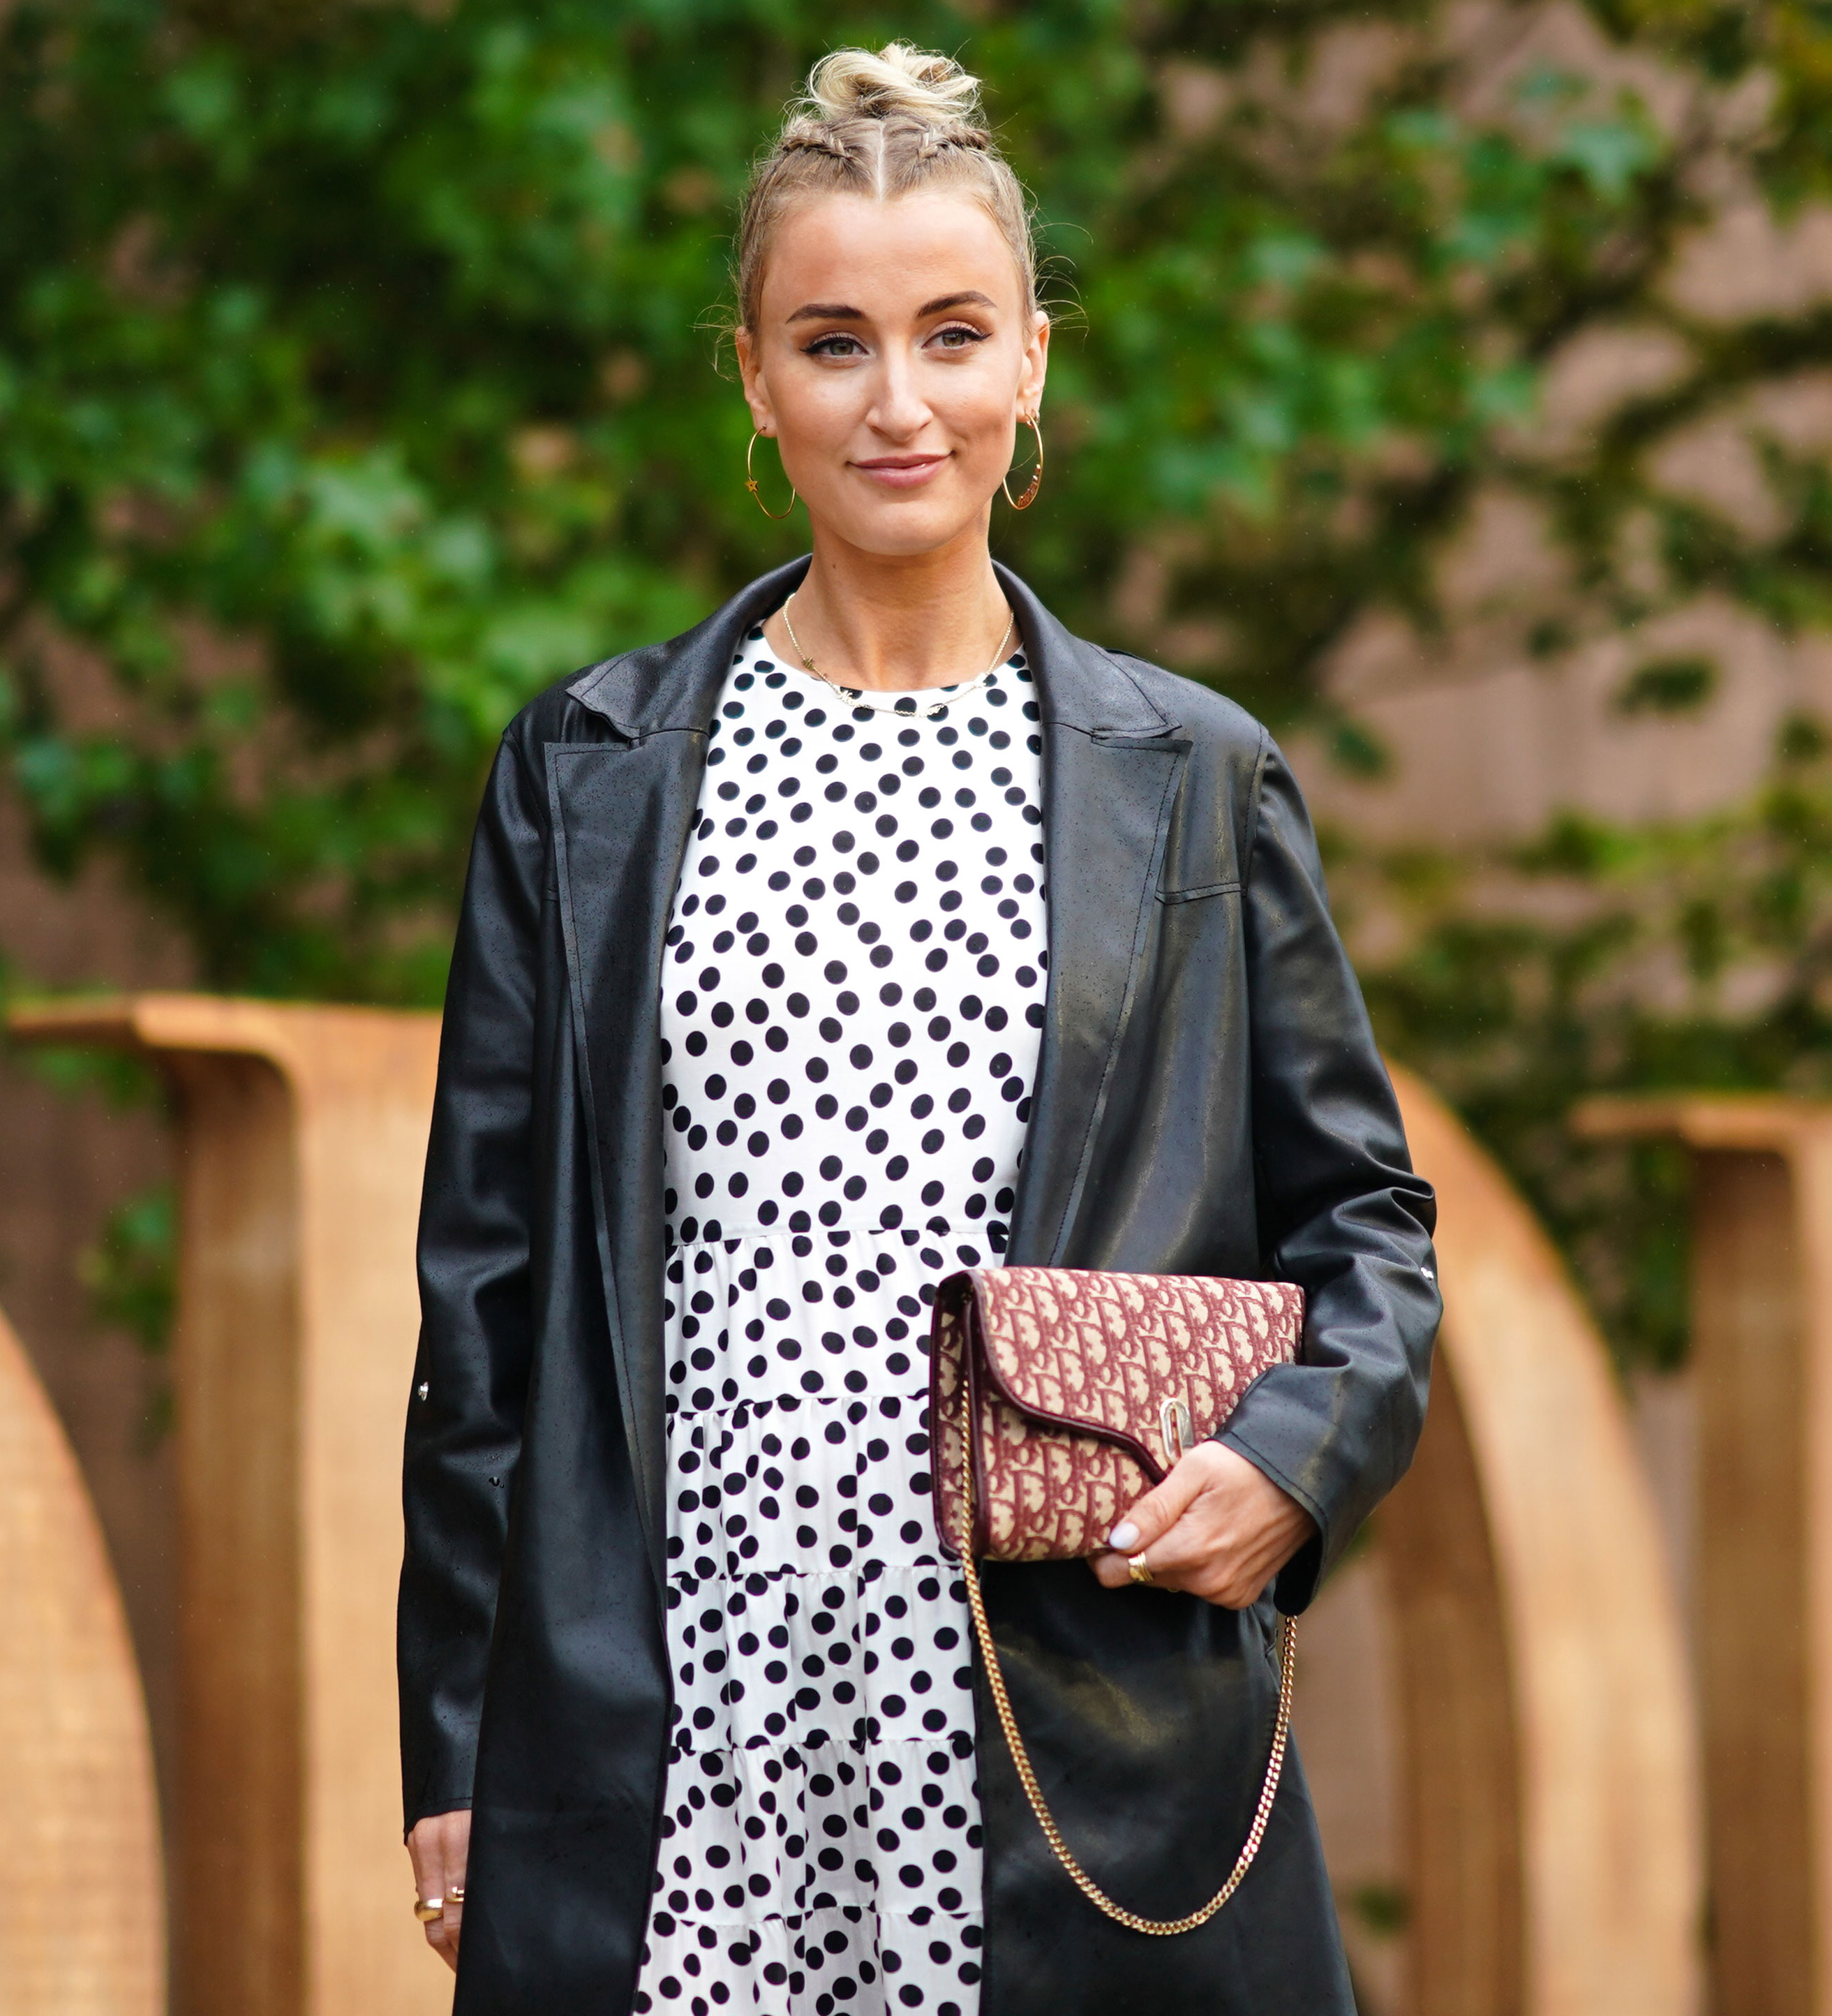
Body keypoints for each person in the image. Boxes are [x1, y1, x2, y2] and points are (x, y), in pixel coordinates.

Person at [396, 43, 1439, 2015]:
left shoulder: (1196, 781)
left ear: (1033, 362)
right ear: (755, 378)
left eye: (952, 335)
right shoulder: (589, 772)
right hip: (667, 1706)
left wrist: (1294, 1458)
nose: (900, 402)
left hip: (1059, 1713)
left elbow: (1366, 1228)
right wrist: (454, 1740)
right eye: (835, 340)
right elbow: (487, 1294)